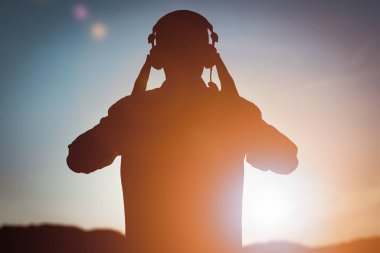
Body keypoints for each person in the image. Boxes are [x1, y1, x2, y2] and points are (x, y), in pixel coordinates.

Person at [67, 10, 298, 253]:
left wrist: (121, 130)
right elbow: (287, 159)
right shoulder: (234, 113)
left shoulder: (130, 113)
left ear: (157, 58)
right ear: (208, 56)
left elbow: (77, 158)